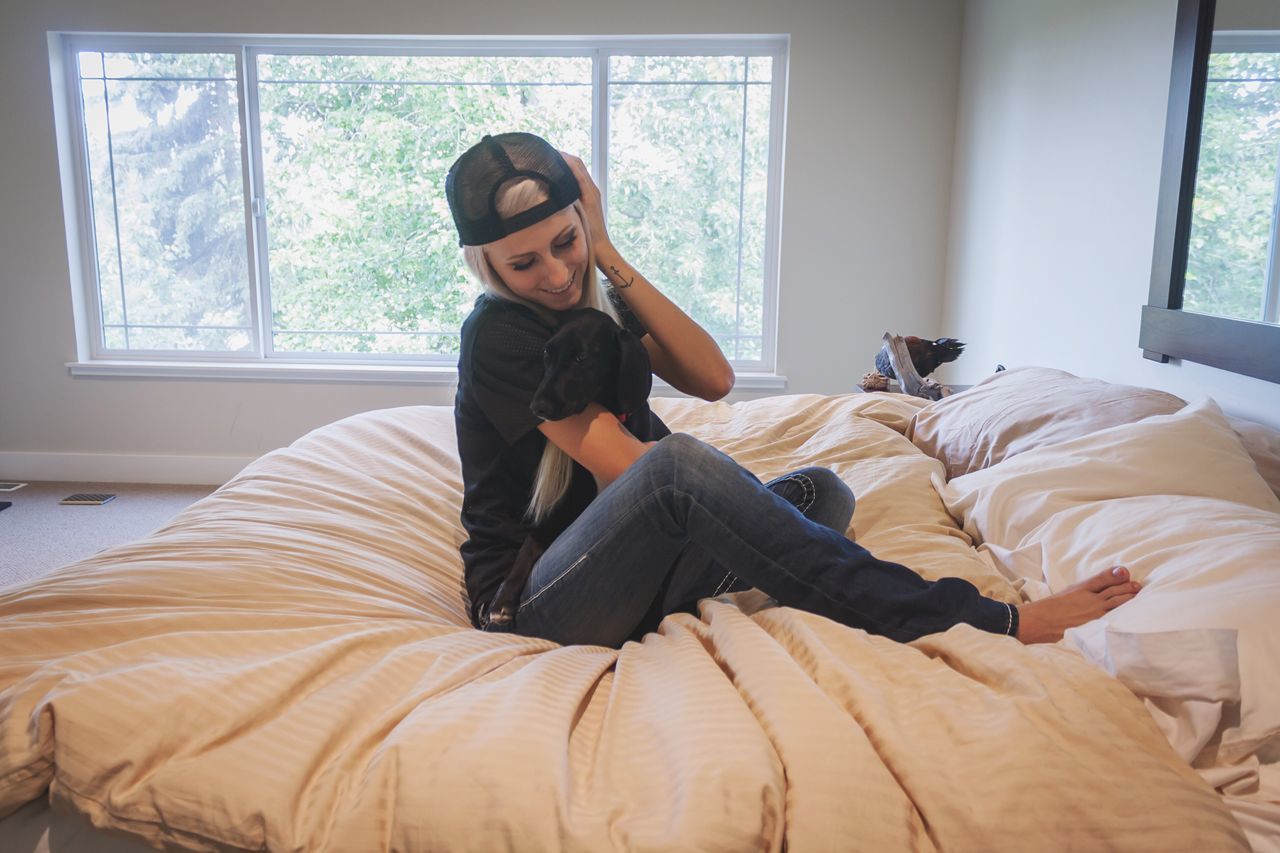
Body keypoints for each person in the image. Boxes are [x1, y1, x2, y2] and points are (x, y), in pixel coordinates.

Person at [446, 131, 1139, 649]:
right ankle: (982, 617)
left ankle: (703, 589)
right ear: (486, 265)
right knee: (679, 466)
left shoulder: (592, 298)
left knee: (823, 494)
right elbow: (641, 474)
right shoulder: (499, 337)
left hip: (625, 566)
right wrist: (719, 501)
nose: (557, 274)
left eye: (565, 242)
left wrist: (607, 249)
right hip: (537, 600)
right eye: (524, 262)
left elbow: (712, 378)